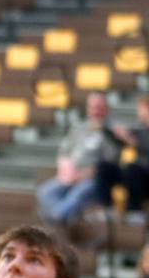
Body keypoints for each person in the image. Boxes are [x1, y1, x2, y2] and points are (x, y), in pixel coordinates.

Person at [36, 92, 114, 224]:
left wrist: (86, 174)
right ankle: (61, 219)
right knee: (45, 192)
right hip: (70, 176)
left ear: (106, 108)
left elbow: (111, 162)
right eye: (93, 107)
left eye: (99, 107)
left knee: (78, 193)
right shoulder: (79, 128)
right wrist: (65, 170)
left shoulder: (111, 132)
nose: (96, 111)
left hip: (93, 179)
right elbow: (64, 152)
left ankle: (57, 218)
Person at [111, 95, 149, 214]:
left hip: (144, 175)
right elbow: (121, 140)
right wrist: (119, 135)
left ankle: (134, 211)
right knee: (105, 168)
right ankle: (107, 209)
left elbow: (141, 144)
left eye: (141, 109)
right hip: (138, 174)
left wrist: (131, 140)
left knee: (132, 169)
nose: (139, 112)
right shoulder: (140, 129)